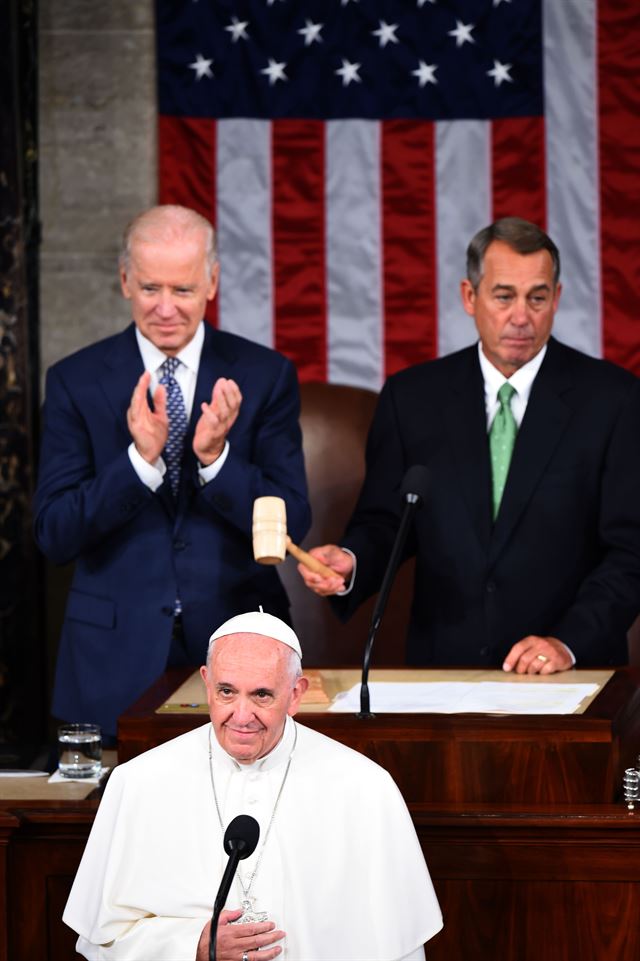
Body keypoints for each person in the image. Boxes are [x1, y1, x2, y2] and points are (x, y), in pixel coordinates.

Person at [297, 217, 640, 675]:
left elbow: (631, 549)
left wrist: (568, 642)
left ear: (556, 300)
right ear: (469, 296)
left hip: (572, 672)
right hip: (445, 671)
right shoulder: (412, 397)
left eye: (536, 297)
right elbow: (385, 520)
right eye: (503, 296)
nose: (521, 315)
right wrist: (351, 561)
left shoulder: (614, 400)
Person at [34, 205, 310, 737]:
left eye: (182, 290)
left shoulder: (265, 374)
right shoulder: (75, 380)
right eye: (149, 288)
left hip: (240, 661)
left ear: (212, 281)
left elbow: (293, 519)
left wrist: (216, 460)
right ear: (124, 281)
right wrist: (140, 463)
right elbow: (55, 533)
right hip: (109, 664)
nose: (165, 309)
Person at [63, 610, 443, 960]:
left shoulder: (365, 788)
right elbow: (99, 942)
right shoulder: (139, 782)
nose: (241, 716)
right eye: (226, 692)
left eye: (262, 694)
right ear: (206, 683)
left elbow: (400, 948)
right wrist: (192, 945)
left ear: (295, 694)